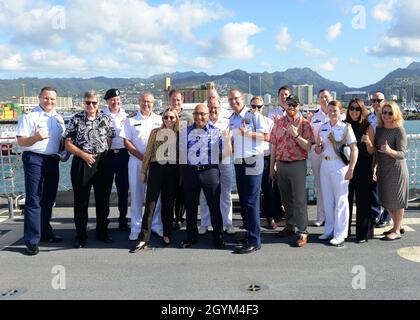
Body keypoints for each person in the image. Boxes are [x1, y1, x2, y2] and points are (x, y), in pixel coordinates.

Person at [16, 87, 65, 255]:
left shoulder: (58, 118)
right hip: (34, 159)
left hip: (53, 160)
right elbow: (21, 142)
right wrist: (35, 138)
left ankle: (45, 232)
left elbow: (61, 141)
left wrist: (63, 155)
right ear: (39, 98)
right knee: (34, 199)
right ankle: (31, 240)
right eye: (46, 98)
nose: (49, 101)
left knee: (48, 199)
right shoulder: (29, 117)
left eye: (52, 99)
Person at [65, 90, 116, 248]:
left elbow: (109, 140)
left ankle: (102, 233)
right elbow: (68, 144)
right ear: (84, 103)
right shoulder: (76, 119)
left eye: (94, 103)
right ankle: (81, 236)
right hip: (82, 161)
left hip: (102, 162)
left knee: (103, 200)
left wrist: (100, 154)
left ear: (98, 103)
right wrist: (84, 154)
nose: (91, 105)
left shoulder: (106, 119)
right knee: (81, 201)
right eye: (88, 102)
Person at [179, 104, 230, 249]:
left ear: (208, 115)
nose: (200, 117)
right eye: (197, 113)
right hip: (191, 172)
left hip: (210, 172)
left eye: (203, 114)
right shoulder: (185, 132)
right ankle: (191, 236)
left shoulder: (216, 132)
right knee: (190, 206)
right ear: (193, 115)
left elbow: (224, 154)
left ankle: (218, 236)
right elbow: (182, 153)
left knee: (214, 206)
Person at [130, 108, 180, 252]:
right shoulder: (155, 132)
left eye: (172, 117)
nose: (169, 120)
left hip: (172, 171)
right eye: (166, 117)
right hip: (156, 169)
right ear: (162, 119)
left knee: (168, 205)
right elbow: (148, 154)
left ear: (176, 119)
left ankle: (167, 234)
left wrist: (181, 176)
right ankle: (144, 238)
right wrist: (143, 171)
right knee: (150, 204)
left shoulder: (180, 134)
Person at [228, 88, 270, 254]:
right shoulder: (232, 119)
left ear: (242, 98)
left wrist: (249, 133)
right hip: (239, 161)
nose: (234, 102)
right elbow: (232, 140)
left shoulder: (254, 115)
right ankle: (249, 233)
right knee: (244, 199)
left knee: (252, 201)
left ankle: (255, 240)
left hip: (253, 159)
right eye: (231, 100)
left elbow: (266, 136)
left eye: (236, 98)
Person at [269, 95, 314, 247]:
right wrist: (271, 167)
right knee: (286, 198)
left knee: (300, 200)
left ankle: (302, 231)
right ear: (285, 105)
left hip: (297, 164)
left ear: (299, 106)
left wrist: (295, 134)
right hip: (281, 164)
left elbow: (308, 146)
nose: (291, 107)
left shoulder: (305, 123)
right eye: (289, 104)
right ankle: (289, 225)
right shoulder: (279, 123)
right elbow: (274, 145)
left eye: (294, 105)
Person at [119, 93, 163, 242]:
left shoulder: (159, 120)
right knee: (137, 195)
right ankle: (136, 227)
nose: (146, 104)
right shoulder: (130, 121)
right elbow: (127, 142)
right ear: (139, 102)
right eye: (144, 101)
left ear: (153, 103)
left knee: (156, 196)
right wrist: (142, 157)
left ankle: (156, 225)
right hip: (136, 162)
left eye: (149, 102)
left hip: (155, 163)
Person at [315, 100, 358, 246]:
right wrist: (319, 145)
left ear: (340, 112)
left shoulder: (346, 127)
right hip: (325, 164)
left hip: (339, 165)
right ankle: (329, 230)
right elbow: (318, 150)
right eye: (330, 110)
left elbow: (354, 149)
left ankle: (340, 233)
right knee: (327, 199)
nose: (332, 113)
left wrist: (351, 168)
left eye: (335, 110)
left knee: (341, 200)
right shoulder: (323, 127)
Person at [198, 95, 235, 236]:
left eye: (216, 107)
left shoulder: (227, 122)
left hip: (224, 161)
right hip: (206, 163)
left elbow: (230, 146)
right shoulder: (201, 123)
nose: (213, 110)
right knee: (204, 194)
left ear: (220, 108)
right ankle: (205, 223)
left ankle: (228, 223)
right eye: (211, 107)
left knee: (226, 192)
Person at [374, 101, 408, 241]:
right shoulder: (380, 129)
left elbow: (402, 154)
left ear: (395, 114)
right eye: (384, 112)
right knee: (387, 200)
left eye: (390, 113)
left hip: (396, 170)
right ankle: (395, 227)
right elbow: (376, 150)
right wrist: (375, 166)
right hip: (383, 169)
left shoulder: (399, 130)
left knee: (397, 201)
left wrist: (389, 151)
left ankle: (397, 230)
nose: (387, 115)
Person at [345, 99, 376, 243]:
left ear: (362, 110)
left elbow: (371, 151)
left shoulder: (367, 126)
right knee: (346, 199)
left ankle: (363, 233)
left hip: (363, 166)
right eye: (352, 108)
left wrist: (368, 142)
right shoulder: (345, 125)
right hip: (346, 165)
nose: (354, 111)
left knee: (363, 200)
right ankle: (344, 231)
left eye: (357, 109)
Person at [250, 96, 283, 230]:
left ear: (263, 107)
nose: (256, 109)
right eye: (254, 107)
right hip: (251, 158)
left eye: (259, 107)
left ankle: (270, 217)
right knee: (253, 191)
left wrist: (273, 164)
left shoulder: (269, 122)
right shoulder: (247, 122)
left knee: (268, 189)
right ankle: (253, 219)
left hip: (266, 157)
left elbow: (273, 143)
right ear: (250, 107)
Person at [102, 89, 130, 231]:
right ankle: (103, 220)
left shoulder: (126, 116)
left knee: (123, 189)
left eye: (117, 99)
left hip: (123, 155)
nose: (115, 101)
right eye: (112, 99)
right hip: (106, 155)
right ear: (107, 101)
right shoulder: (101, 115)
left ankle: (123, 219)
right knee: (105, 189)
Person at [168, 89, 193, 230]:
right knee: (169, 189)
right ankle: (168, 217)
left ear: (182, 101)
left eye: (178, 100)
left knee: (182, 189)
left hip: (183, 159)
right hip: (167, 159)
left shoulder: (188, 118)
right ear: (169, 100)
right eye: (173, 100)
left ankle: (179, 217)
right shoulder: (165, 116)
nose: (176, 102)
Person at [368, 92, 391, 228]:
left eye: (379, 100)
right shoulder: (369, 117)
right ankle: (376, 213)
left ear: (384, 101)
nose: (376, 102)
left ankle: (387, 216)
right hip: (373, 154)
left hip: (387, 155)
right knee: (374, 186)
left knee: (387, 188)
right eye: (374, 100)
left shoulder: (389, 116)